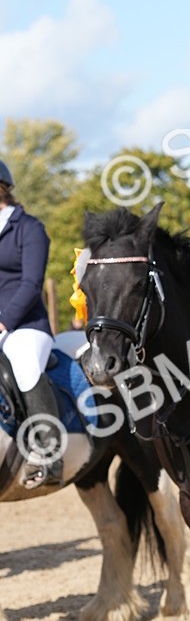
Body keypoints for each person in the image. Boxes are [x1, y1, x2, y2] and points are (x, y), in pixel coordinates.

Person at [0, 159, 62, 486]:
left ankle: (49, 452)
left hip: (25, 324)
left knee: (23, 361)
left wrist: (3, 321)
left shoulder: (29, 228)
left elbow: (31, 284)